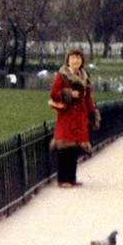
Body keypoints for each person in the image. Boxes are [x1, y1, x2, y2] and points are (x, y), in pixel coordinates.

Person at [49, 47, 100, 188]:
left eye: (78, 58)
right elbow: (54, 93)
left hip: (80, 117)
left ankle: (71, 178)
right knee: (65, 148)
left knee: (74, 149)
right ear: (68, 60)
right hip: (67, 116)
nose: (75, 60)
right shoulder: (61, 76)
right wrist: (69, 94)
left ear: (82, 60)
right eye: (72, 58)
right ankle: (62, 179)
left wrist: (93, 114)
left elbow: (88, 98)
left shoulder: (84, 77)